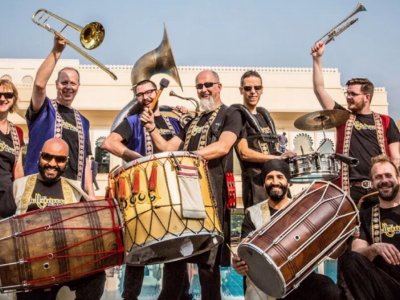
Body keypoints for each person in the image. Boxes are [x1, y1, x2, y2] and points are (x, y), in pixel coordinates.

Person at [141, 69, 244, 299]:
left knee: (208, 272)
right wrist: (152, 128)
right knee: (174, 267)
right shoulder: (193, 120)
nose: (204, 89)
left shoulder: (231, 113)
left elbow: (223, 146)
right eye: (199, 86)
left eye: (209, 84)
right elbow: (169, 149)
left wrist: (188, 157)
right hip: (183, 203)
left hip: (211, 202)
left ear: (219, 86)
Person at [101, 79, 185, 300]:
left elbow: (172, 149)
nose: (146, 97)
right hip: (141, 194)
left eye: (150, 92)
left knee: (176, 251)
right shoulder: (131, 121)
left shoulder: (173, 120)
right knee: (137, 252)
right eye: (140, 94)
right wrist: (133, 156)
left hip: (172, 194)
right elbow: (109, 143)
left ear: (157, 92)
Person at [0, 138, 105, 300]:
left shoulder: (75, 190)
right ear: (39, 156)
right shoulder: (19, 186)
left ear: (67, 162)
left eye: (60, 159)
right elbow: (2, 224)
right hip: (31, 267)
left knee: (97, 276)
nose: (52, 163)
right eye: (47, 157)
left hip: (66, 265)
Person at [232, 159, 341, 300]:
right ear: (264, 184)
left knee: (329, 289)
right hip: (267, 282)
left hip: (300, 279)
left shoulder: (303, 208)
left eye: (280, 177)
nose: (275, 182)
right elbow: (246, 250)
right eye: (269, 177)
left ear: (288, 182)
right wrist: (238, 263)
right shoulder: (253, 214)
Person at [311, 41, 400, 205]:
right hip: (349, 189)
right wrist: (317, 60)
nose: (348, 97)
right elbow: (319, 89)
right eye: (347, 93)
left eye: (353, 94)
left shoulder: (386, 121)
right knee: (352, 231)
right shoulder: (342, 116)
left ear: (367, 97)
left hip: (380, 188)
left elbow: (396, 159)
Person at [24, 35, 95, 199]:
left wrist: (90, 193)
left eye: (73, 83)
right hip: (40, 191)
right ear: (56, 85)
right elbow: (39, 84)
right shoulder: (44, 108)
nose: (68, 87)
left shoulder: (84, 122)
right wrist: (56, 51)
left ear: (78, 86)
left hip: (72, 192)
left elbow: (85, 162)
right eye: (64, 82)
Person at [341, 154, 400, 300]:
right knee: (350, 260)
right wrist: (374, 248)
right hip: (385, 285)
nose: (384, 180)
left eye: (388, 175)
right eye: (378, 177)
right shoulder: (364, 215)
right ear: (372, 183)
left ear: (398, 179)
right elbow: (357, 252)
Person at [234, 70, 295, 210]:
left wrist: (285, 154)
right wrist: (275, 158)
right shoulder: (238, 116)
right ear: (241, 90)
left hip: (276, 182)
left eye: (257, 88)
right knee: (260, 226)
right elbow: (244, 152)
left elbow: (274, 148)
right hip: (256, 184)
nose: (253, 92)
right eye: (248, 88)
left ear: (262, 90)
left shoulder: (264, 116)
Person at [0, 79, 24, 209]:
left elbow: (18, 168)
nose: (3, 99)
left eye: (8, 95)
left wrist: (20, 195)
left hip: (7, 197)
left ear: (13, 99)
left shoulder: (17, 132)